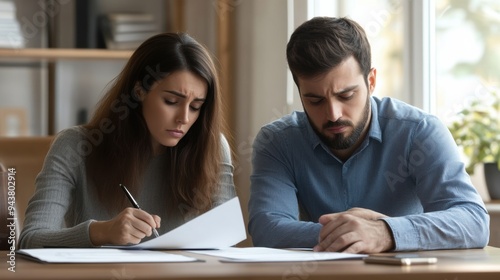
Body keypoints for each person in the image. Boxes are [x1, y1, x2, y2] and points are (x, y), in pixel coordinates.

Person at [248, 17, 489, 253]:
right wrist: (356, 233)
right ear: (300, 92)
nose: (333, 114)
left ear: (371, 81)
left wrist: (386, 232)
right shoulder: (278, 142)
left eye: (346, 96)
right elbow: (267, 228)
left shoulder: (420, 131)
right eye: (315, 100)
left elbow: (474, 221)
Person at [19, 33, 236, 248]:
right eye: (171, 101)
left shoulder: (213, 148)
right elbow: (31, 239)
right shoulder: (75, 146)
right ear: (139, 91)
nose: (184, 118)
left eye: (196, 106)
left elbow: (226, 241)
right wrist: (102, 231)